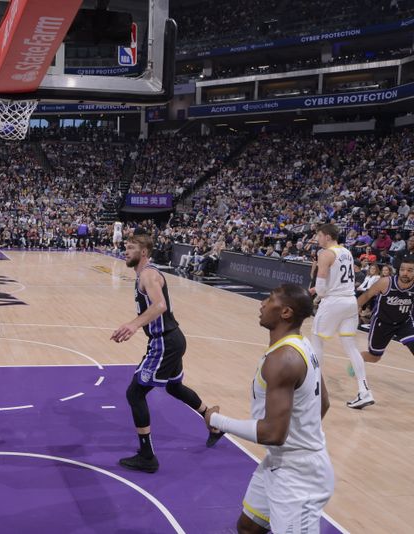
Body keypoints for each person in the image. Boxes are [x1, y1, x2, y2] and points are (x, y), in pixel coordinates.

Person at [205, 284, 333, 534]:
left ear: (285, 312)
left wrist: (216, 420)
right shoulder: (301, 345)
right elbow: (324, 402)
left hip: (299, 476)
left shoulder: (284, 359)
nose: (262, 304)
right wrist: (301, 435)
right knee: (249, 527)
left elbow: (273, 434)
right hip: (280, 461)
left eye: (270, 299)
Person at [111, 230, 223, 474]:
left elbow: (160, 306)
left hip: (165, 342)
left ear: (143, 252)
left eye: (130, 248)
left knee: (135, 393)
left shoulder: (149, 274)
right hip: (173, 339)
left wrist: (134, 324)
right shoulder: (143, 274)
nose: (125, 251)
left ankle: (147, 456)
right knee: (173, 387)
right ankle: (213, 422)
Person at [308, 223, 372, 409]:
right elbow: (337, 278)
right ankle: (364, 390)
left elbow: (322, 287)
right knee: (350, 346)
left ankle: (313, 387)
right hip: (350, 302)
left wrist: (317, 293)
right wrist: (320, 290)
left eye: (319, 235)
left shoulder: (325, 254)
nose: (317, 239)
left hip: (334, 302)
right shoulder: (346, 252)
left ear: (327, 236)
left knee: (317, 340)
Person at [353, 255, 414, 398]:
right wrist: (353, 311)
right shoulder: (385, 282)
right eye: (403, 269)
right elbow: (367, 296)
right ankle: (357, 360)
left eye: (410, 270)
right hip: (382, 323)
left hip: (404, 323)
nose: (405, 273)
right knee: (374, 357)